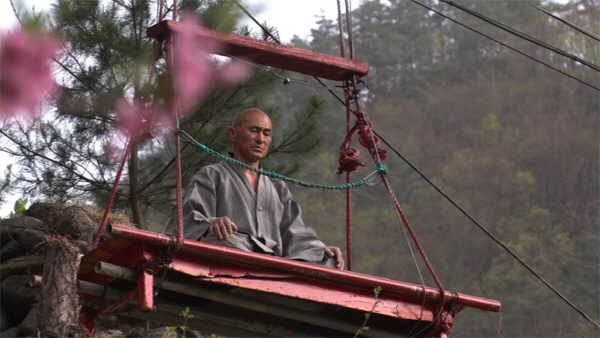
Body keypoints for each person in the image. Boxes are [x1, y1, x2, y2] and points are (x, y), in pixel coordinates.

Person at [182, 108, 345, 269]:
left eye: (266, 134)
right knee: (221, 239)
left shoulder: (278, 187)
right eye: (254, 131)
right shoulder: (212, 175)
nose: (260, 139)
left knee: (327, 259)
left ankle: (271, 266)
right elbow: (189, 223)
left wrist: (318, 249)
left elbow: (295, 235)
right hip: (235, 250)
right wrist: (212, 223)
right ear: (233, 134)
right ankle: (264, 263)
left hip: (275, 262)